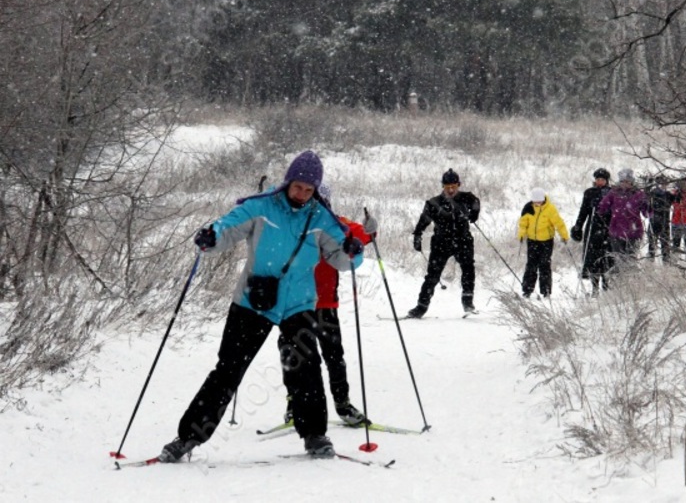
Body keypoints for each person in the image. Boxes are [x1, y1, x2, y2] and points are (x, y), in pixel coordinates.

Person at [158, 150, 364, 462]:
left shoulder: (321, 218)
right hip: (253, 301)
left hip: (298, 304)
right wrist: (211, 236)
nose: (301, 195)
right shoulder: (261, 207)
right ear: (288, 181)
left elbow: (342, 259)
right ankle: (187, 438)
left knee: (306, 370)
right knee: (228, 370)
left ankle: (315, 436)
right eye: (297, 187)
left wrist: (352, 250)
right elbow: (229, 227)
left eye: (309, 190)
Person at [278, 184, 377, 428]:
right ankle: (294, 403)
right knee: (293, 355)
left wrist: (370, 231)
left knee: (334, 355)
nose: (319, 204)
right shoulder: (292, 223)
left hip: (325, 303)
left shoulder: (337, 224)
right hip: (294, 304)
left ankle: (342, 404)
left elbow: (361, 234)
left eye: (323, 200)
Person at [408, 169, 481, 317]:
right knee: (432, 276)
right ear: (443, 186)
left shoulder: (466, 198)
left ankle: (467, 302)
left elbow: (476, 203)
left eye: (454, 186)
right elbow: (424, 220)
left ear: (458, 185)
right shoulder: (434, 203)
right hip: (441, 243)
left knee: (468, 270)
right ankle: (421, 307)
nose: (451, 190)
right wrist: (417, 235)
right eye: (447, 187)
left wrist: (474, 213)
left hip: (463, 240)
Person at [518, 188, 570, 299]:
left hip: (546, 241)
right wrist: (521, 234)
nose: (537, 203)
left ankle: (546, 291)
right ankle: (527, 290)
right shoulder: (528, 208)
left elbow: (559, 223)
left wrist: (564, 235)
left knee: (544, 265)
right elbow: (523, 223)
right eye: (535, 201)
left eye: (539, 201)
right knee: (531, 265)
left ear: (543, 199)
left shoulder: (550, 209)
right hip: (532, 241)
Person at [597, 168, 650, 277]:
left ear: (632, 182)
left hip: (634, 233)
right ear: (619, 182)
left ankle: (631, 284)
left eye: (627, 181)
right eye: (623, 181)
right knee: (619, 260)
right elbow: (602, 209)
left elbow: (647, 213)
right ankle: (621, 284)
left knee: (631, 260)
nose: (625, 184)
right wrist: (599, 204)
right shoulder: (613, 193)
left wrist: (649, 204)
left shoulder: (639, 194)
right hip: (616, 232)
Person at [571, 168, 613, 295]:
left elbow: (616, 211)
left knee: (607, 257)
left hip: (607, 228)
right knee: (593, 258)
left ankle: (606, 286)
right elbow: (583, 211)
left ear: (607, 181)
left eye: (602, 180)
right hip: (593, 228)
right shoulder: (589, 193)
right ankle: (594, 288)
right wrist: (578, 226)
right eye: (598, 180)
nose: (600, 182)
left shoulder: (611, 193)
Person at [647, 176, 672, 260]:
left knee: (665, 246)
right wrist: (648, 185)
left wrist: (680, 190)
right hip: (654, 222)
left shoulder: (668, 194)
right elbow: (645, 197)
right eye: (660, 183)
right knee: (652, 246)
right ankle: (650, 265)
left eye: (664, 183)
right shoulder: (653, 192)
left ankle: (666, 265)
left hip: (665, 223)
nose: (662, 185)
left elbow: (677, 200)